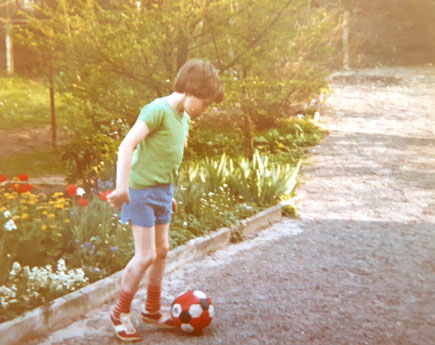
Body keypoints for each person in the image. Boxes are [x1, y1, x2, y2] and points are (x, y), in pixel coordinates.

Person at [106, 59, 224, 342]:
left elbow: (167, 158)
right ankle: (119, 312)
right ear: (192, 91)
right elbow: (127, 145)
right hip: (140, 193)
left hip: (161, 193)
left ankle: (151, 310)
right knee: (145, 255)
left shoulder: (182, 119)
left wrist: (168, 195)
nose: (205, 109)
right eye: (205, 103)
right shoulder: (157, 110)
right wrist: (122, 188)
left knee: (162, 251)